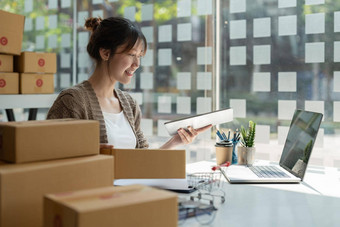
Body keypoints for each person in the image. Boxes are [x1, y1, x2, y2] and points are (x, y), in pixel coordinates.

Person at [47, 16, 211, 150]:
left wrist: (176, 141)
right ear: (105, 53)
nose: (137, 64)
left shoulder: (129, 104)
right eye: (132, 54)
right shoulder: (72, 101)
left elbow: (143, 162)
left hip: (128, 190)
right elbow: (51, 158)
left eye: (140, 56)